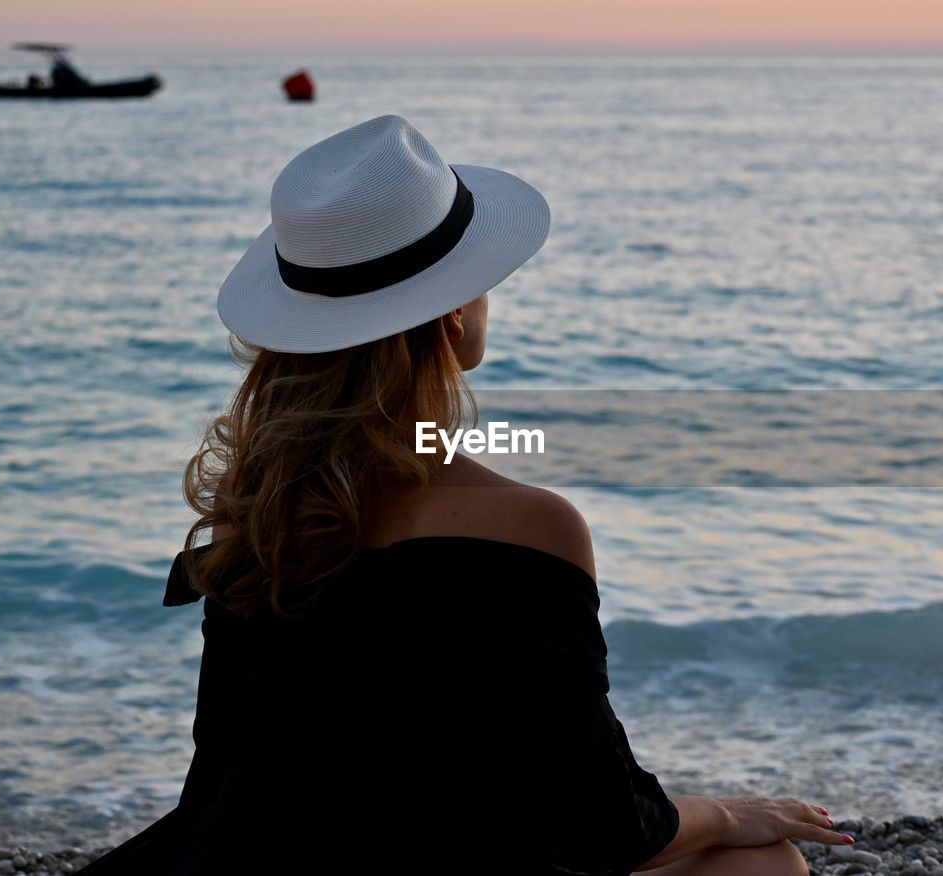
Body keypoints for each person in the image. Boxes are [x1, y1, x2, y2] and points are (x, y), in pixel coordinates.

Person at [77, 114, 852, 875]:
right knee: (764, 865)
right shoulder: (528, 527)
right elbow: (601, 826)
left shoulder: (263, 516)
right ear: (453, 314)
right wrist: (728, 812)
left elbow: (231, 786)